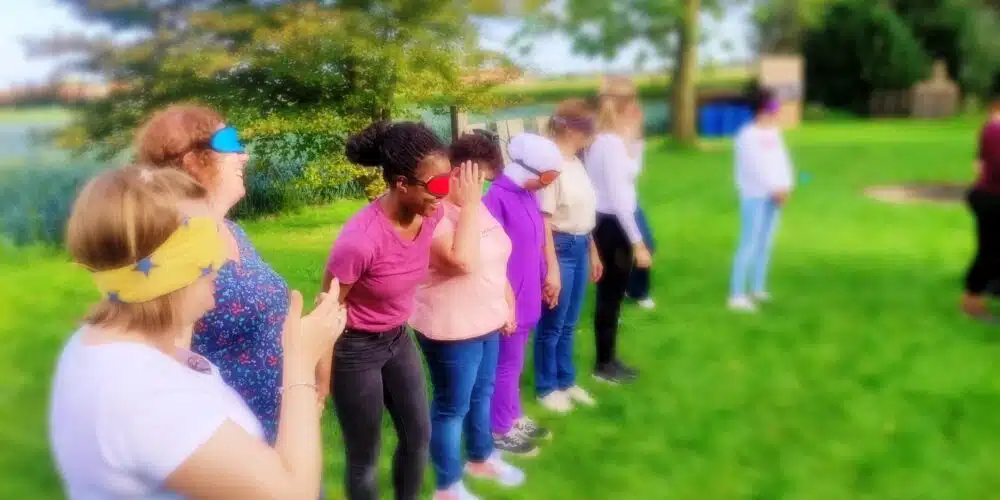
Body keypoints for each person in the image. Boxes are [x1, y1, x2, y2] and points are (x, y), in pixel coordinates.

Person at [49, 166, 347, 499]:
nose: (222, 261)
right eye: (206, 245)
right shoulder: (145, 399)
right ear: (170, 273)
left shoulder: (107, 345)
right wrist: (300, 360)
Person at [134, 105, 294, 444]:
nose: (244, 155)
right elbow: (169, 370)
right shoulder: (176, 249)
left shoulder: (232, 232)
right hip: (227, 443)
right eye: (230, 142)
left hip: (274, 425)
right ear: (193, 161)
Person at [321, 121, 448, 500]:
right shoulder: (360, 241)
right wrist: (321, 377)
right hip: (354, 348)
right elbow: (327, 306)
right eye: (437, 185)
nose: (444, 194)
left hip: (397, 338)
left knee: (418, 437)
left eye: (449, 181)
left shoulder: (431, 214)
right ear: (401, 184)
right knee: (365, 456)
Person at [410, 156, 526, 500]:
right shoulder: (432, 215)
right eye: (475, 180)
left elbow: (497, 256)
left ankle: (480, 458)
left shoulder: (474, 206)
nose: (480, 187)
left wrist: (506, 302)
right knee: (452, 407)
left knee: (482, 393)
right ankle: (447, 486)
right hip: (452, 328)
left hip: (486, 319)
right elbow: (461, 261)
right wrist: (471, 205)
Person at [482, 132, 562, 455]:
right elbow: (489, 258)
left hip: (529, 295)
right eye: (547, 177)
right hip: (509, 300)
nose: (548, 184)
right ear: (527, 170)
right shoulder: (495, 199)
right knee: (505, 364)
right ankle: (500, 428)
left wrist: (546, 278)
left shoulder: (529, 195)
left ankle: (513, 415)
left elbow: (536, 242)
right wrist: (504, 303)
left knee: (515, 363)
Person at [534, 99, 602, 413]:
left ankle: (566, 380)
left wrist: (594, 251)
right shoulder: (551, 165)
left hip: (580, 243)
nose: (593, 135)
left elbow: (584, 212)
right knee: (553, 323)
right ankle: (546, 387)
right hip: (559, 248)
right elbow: (543, 221)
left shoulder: (576, 161)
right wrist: (551, 268)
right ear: (573, 130)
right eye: (589, 129)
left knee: (569, 322)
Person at [584, 77, 649, 384]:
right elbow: (620, 197)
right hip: (612, 225)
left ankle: (608, 359)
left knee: (611, 297)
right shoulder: (608, 144)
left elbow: (633, 173)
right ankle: (604, 365)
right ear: (628, 104)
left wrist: (636, 137)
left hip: (609, 222)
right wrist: (638, 242)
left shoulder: (607, 140)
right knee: (610, 297)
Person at [728, 86, 795, 313]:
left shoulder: (774, 132)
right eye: (774, 104)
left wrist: (786, 186)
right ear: (763, 107)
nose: (778, 109)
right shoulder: (747, 135)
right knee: (749, 242)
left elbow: (782, 161)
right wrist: (774, 188)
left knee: (766, 242)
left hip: (775, 196)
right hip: (755, 196)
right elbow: (756, 167)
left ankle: (758, 288)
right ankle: (736, 294)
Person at [961, 97, 1000, 320]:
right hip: (992, 199)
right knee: (990, 252)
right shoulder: (995, 129)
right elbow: (995, 167)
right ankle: (972, 302)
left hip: (989, 196)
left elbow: (979, 163)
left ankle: (994, 288)